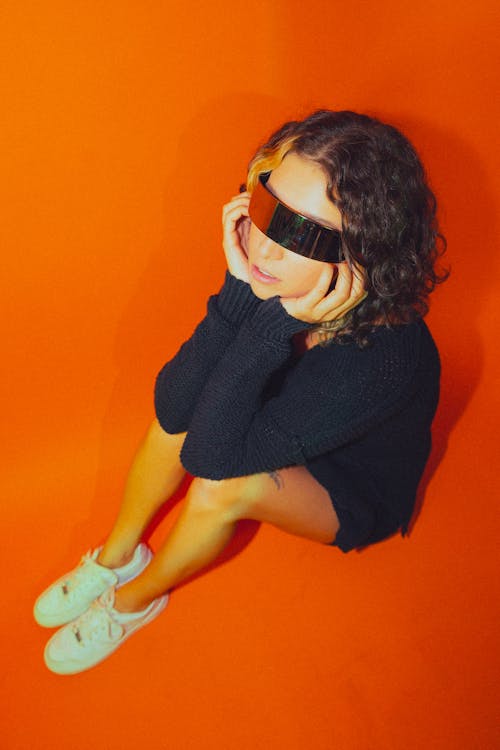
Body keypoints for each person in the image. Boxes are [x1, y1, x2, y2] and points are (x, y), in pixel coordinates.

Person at [34, 110, 447, 674]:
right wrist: (239, 291)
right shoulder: (284, 273)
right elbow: (172, 407)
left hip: (346, 482)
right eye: (266, 206)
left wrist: (266, 323)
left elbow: (211, 462)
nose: (266, 248)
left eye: (302, 232)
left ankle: (131, 602)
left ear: (362, 258)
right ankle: (116, 559)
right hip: (275, 423)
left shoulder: (382, 358)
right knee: (185, 412)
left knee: (219, 491)